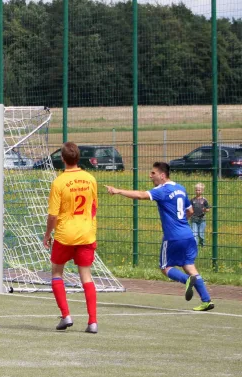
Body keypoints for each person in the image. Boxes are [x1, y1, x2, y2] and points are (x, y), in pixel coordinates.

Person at [105, 162, 214, 311]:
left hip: (173, 237)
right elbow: (189, 211)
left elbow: (140, 195)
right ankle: (206, 300)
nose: (150, 176)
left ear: (162, 176)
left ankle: (187, 280)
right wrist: (180, 222)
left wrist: (117, 190)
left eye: (153, 173)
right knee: (189, 266)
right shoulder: (180, 188)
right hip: (188, 235)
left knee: (165, 267)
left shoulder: (162, 190)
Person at [43, 142, 99, 334]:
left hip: (65, 235)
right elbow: (93, 208)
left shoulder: (59, 182)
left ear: (62, 159)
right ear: (79, 157)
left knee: (57, 273)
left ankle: (66, 315)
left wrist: (47, 234)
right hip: (86, 234)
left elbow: (53, 215)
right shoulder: (90, 179)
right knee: (86, 276)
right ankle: (93, 322)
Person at [190, 182, 210, 247]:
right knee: (194, 234)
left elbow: (208, 209)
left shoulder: (204, 200)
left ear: (202, 191)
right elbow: (190, 209)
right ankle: (195, 246)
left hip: (202, 220)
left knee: (201, 234)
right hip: (194, 220)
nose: (197, 191)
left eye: (199, 190)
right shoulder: (192, 200)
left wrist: (205, 210)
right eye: (196, 190)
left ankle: (202, 244)